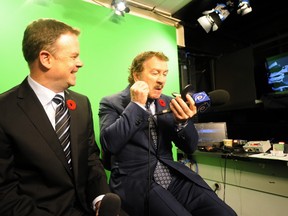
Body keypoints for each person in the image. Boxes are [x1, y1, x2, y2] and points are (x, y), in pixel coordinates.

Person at [0, 18, 121, 216]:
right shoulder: (4, 110)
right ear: (46, 58)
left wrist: (100, 197)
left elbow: (91, 158)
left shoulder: (81, 104)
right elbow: (5, 194)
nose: (80, 63)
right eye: (74, 56)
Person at [98, 51, 237, 216]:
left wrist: (183, 122)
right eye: (155, 73)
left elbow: (190, 146)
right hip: (136, 182)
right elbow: (109, 144)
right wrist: (136, 105)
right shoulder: (112, 102)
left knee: (226, 214)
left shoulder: (170, 102)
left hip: (172, 178)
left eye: (165, 74)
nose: (161, 80)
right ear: (136, 76)